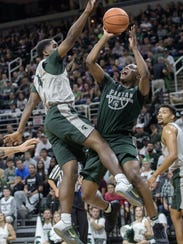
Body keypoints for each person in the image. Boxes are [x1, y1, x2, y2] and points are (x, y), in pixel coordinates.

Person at [3, 1, 141, 243]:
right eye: (54, 46)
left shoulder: (39, 73)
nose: (58, 47)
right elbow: (71, 37)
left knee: (70, 169)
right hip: (62, 113)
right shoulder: (52, 61)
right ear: (46, 52)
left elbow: (30, 103)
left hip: (50, 123)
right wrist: (87, 12)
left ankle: (65, 221)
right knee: (99, 140)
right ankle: (120, 181)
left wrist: (20, 130)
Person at [80, 25, 168, 243]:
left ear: (136, 74)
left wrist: (134, 49)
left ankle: (156, 224)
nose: (123, 69)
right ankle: (109, 209)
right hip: (100, 141)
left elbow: (145, 73)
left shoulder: (138, 93)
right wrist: (105, 37)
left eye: (129, 67)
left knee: (135, 176)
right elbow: (90, 62)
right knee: (87, 194)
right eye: (123, 67)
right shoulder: (109, 84)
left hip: (121, 139)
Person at [148, 104, 183, 244]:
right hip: (177, 172)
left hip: (180, 172)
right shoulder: (177, 128)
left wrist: (154, 174)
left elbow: (173, 155)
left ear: (172, 116)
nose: (160, 114)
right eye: (159, 112)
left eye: (164, 112)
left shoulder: (168, 129)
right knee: (175, 213)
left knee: (176, 213)